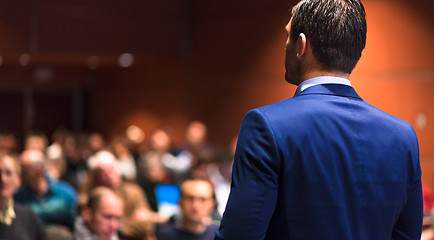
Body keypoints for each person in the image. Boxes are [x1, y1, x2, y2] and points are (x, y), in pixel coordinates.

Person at [215, 0, 422, 239]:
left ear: (301, 45)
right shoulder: (403, 135)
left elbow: (240, 235)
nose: (285, 45)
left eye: (287, 36)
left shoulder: (266, 125)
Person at [14, 149, 77, 232]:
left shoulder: (65, 193)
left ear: (38, 170)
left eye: (24, 169)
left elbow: (75, 223)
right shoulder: (18, 197)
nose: (20, 174)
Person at [0, 153, 46, 240]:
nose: (3, 179)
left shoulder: (29, 217)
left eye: (8, 173)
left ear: (18, 179)